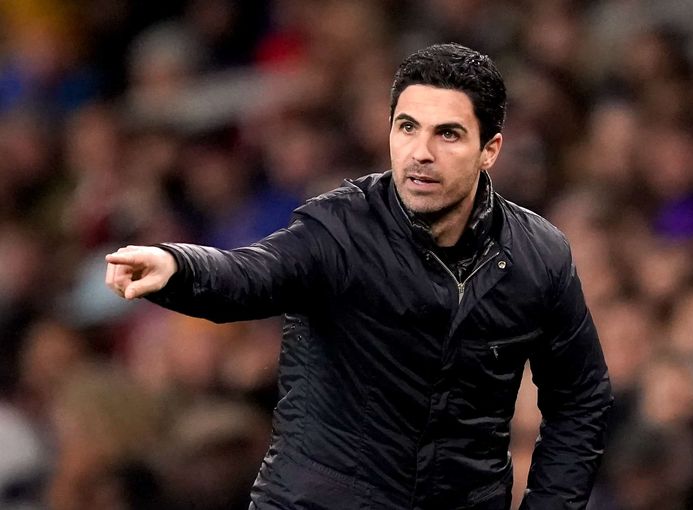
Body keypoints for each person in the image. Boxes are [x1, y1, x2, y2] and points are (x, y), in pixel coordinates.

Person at [105, 43, 613, 510]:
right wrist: (177, 264)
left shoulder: (539, 256)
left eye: (448, 134)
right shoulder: (340, 228)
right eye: (407, 127)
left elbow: (580, 397)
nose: (420, 152)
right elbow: (252, 273)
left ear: (491, 149)